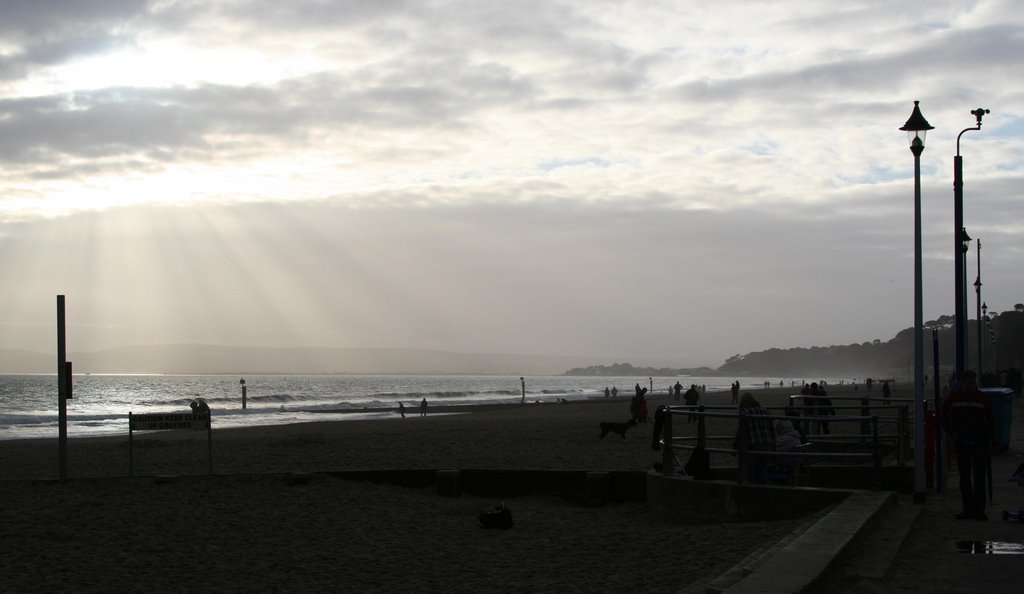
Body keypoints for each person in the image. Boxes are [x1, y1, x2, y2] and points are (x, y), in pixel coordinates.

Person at [941, 370, 995, 520]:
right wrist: (953, 434)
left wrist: (992, 442)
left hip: (980, 442)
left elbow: (990, 421)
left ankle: (979, 510)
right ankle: (967, 509)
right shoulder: (952, 399)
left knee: (979, 476)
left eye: (973, 381)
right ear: (963, 382)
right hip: (961, 442)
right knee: (964, 477)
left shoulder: (983, 398)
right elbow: (944, 418)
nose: (971, 384)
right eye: (968, 381)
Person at [733, 393, 776, 484]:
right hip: (768, 445)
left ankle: (755, 492)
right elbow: (772, 430)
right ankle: (767, 491)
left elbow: (741, 432)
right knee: (763, 471)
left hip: (754, 445)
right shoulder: (766, 411)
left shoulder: (745, 413)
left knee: (751, 472)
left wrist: (735, 445)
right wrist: (774, 445)